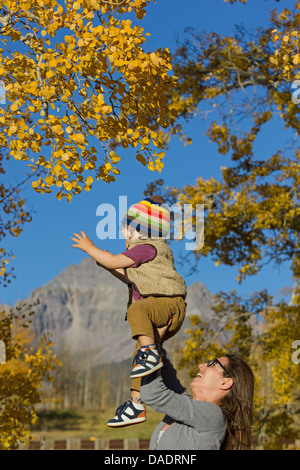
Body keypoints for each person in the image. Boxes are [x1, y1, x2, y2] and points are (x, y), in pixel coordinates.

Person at [71, 195, 187, 427]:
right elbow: (125, 275)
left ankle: (149, 353)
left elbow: (115, 262)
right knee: (140, 362)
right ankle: (137, 404)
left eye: (126, 230)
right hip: (163, 309)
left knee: (137, 310)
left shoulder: (146, 247)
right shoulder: (146, 254)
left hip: (165, 304)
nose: (124, 235)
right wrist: (106, 263)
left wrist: (91, 248)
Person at [140, 326, 255, 450]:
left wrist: (148, 347)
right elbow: (166, 374)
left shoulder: (213, 416)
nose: (202, 365)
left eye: (213, 364)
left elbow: (152, 393)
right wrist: (157, 341)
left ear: (225, 383)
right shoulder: (187, 411)